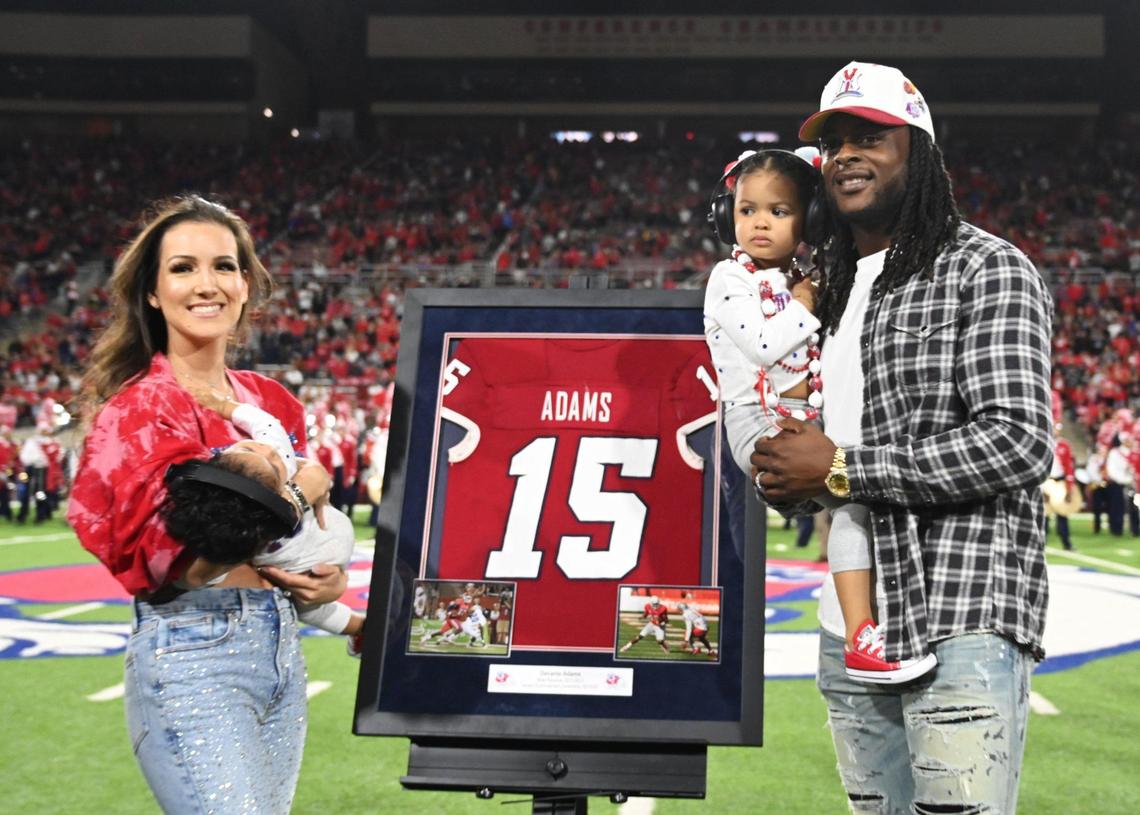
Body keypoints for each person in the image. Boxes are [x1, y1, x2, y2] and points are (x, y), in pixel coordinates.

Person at [751, 61, 1052, 813]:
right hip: (845, 627)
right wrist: (786, 471)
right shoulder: (825, 289)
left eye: (871, 137)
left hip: (961, 614)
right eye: (835, 142)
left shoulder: (986, 268)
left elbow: (1017, 441)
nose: (846, 154)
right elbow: (819, 452)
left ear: (917, 150)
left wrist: (842, 466)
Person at [67, 195, 348, 814]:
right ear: (151, 292)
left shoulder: (271, 399)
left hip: (280, 646)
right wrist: (295, 491)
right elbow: (182, 567)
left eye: (224, 266)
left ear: (245, 285)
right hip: (195, 652)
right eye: (183, 268)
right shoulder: (136, 411)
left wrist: (325, 583)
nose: (207, 284)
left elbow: (291, 542)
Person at [705, 147, 930, 681]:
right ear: (725, 217)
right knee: (855, 485)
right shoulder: (728, 279)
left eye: (779, 212)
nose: (759, 222)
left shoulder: (809, 274)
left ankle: (862, 634)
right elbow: (762, 344)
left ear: (810, 220)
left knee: (860, 496)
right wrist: (805, 303)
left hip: (806, 419)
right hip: (756, 422)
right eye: (746, 210)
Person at [160, 385, 366, 648]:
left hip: (315, 553)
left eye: (249, 449)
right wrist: (300, 493)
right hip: (323, 544)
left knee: (309, 606)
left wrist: (225, 407)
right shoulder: (282, 475)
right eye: (259, 455)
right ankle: (360, 628)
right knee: (308, 606)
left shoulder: (267, 475)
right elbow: (267, 427)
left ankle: (359, 628)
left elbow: (193, 576)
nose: (269, 451)